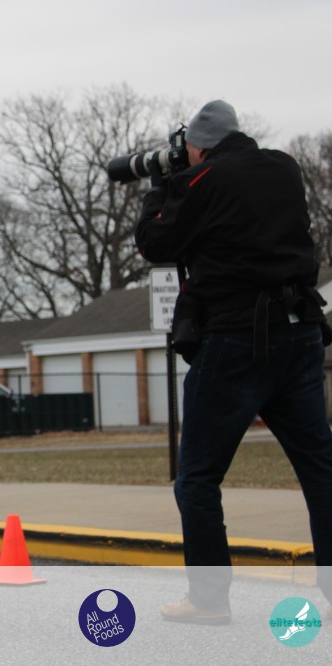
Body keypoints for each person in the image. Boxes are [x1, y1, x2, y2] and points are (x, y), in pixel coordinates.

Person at [134, 99, 332, 624]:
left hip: (237, 341)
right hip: (300, 332)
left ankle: (208, 600)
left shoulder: (201, 180)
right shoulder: (285, 168)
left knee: (197, 478)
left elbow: (154, 242)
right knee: (321, 469)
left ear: (197, 147)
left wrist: (160, 184)